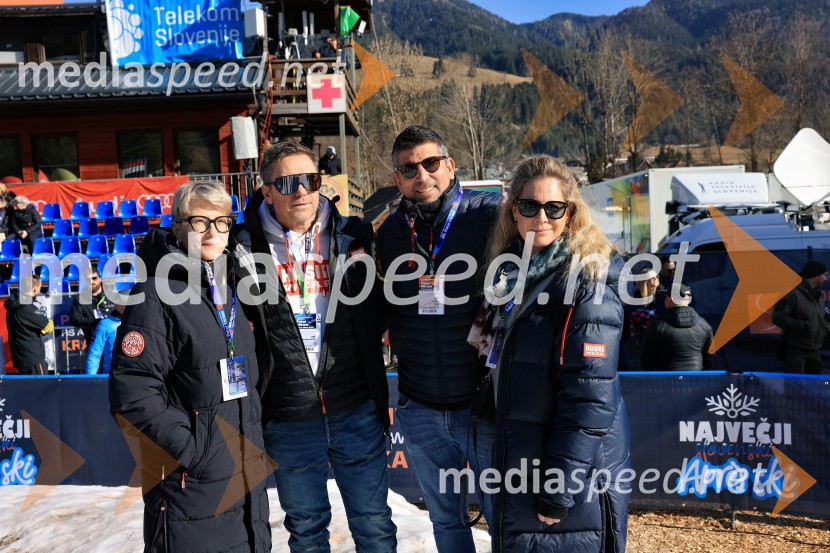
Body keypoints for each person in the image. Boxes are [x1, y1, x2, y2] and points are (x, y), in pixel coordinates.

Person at [232, 141, 395, 553]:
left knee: (374, 525)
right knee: (306, 532)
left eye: (310, 180)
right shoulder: (241, 247)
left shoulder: (356, 236)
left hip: (354, 405)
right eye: (288, 182)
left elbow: (382, 308)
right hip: (289, 414)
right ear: (266, 191)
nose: (302, 191)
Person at [471, 154, 629, 552]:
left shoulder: (587, 285)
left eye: (554, 207)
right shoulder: (510, 276)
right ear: (514, 211)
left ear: (570, 213)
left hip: (564, 477)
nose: (541, 217)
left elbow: (589, 401)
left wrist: (560, 489)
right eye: (529, 206)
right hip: (521, 457)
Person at [109, 180, 271, 553]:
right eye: (200, 221)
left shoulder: (233, 288)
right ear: (178, 227)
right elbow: (132, 394)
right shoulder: (154, 294)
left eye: (222, 221)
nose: (212, 231)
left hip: (245, 480)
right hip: (191, 486)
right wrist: (193, 452)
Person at [374, 125, 502, 552]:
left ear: (450, 165)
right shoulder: (390, 233)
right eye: (409, 169)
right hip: (420, 406)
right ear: (397, 179)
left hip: (481, 405)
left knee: (504, 520)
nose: (422, 176)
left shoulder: (488, 215)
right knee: (446, 522)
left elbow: (555, 239)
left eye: (431, 163)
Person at [772, 260, 829, 374]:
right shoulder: (791, 294)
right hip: (796, 351)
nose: (826, 279)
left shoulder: (818, 296)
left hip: (814, 351)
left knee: (815, 384)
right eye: (824, 275)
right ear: (815, 276)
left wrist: (826, 326)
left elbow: (817, 319)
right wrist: (803, 326)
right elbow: (778, 317)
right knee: (795, 384)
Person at [640, 284, 714, 371]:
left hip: (667, 377)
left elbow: (646, 356)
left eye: (665, 297)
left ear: (671, 299)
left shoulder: (658, 324)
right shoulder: (704, 325)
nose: (664, 300)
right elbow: (710, 356)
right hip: (695, 376)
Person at [5, 272, 52, 375]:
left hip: (19, 357)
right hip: (33, 359)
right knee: (42, 384)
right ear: (34, 290)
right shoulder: (27, 308)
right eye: (39, 288)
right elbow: (48, 326)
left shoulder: (12, 305)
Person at [71, 269, 115, 348]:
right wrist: (95, 321)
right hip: (94, 342)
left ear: (100, 279)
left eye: (94, 278)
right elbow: (75, 320)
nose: (91, 281)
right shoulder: (80, 299)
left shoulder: (111, 295)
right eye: (88, 280)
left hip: (113, 341)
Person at [85, 301, 125, 375]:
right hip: (111, 376)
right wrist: (90, 378)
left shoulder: (140, 322)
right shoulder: (105, 324)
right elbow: (94, 353)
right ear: (117, 305)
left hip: (133, 376)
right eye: (124, 303)